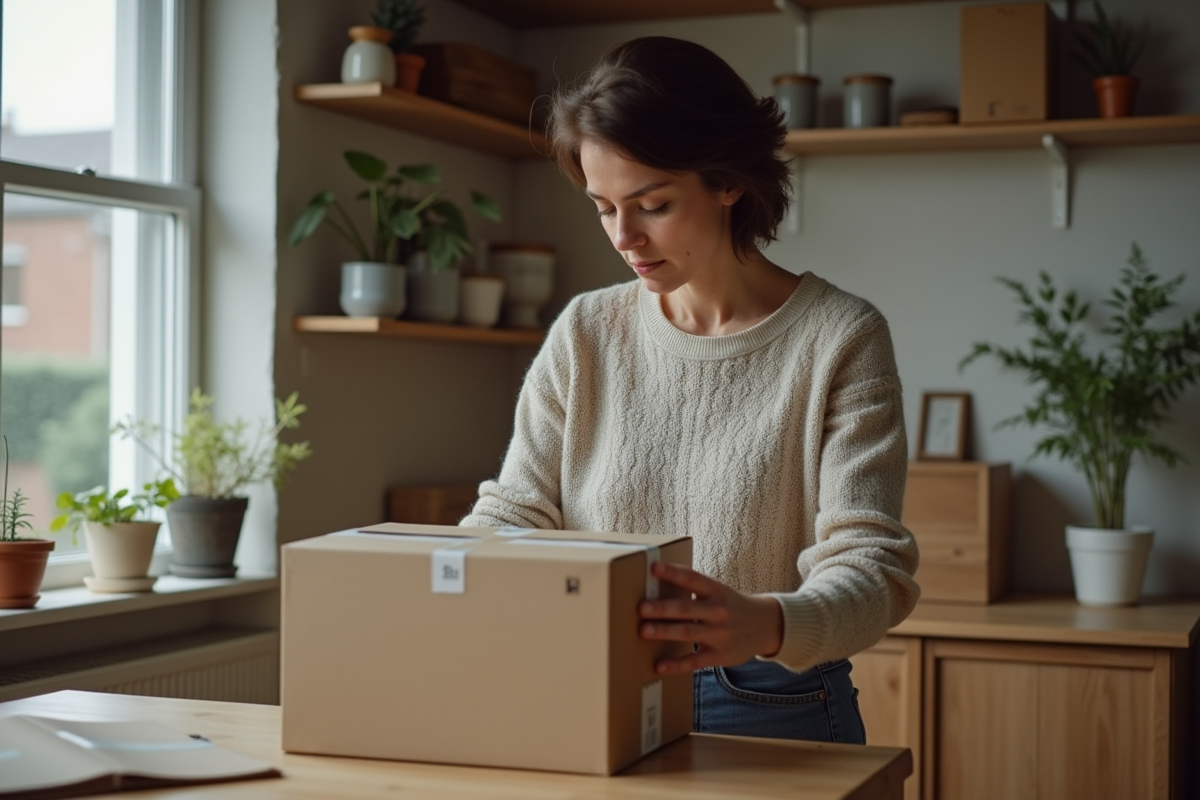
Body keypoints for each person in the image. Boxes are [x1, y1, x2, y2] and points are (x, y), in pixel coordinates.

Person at [460, 35, 919, 745]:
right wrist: (448, 577)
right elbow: (518, 510)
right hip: (590, 686)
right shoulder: (587, 330)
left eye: (652, 204)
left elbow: (872, 565)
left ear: (728, 179)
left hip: (774, 702)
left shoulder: (841, 337)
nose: (624, 237)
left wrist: (765, 622)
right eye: (604, 207)